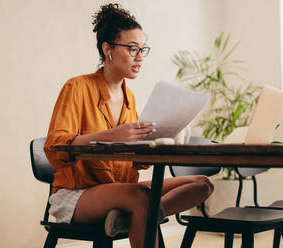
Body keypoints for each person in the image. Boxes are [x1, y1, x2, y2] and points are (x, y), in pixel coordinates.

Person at [44, 3, 214, 248]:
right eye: (132, 48)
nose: (140, 56)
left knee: (202, 185)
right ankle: (137, 212)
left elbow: (134, 161)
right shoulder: (77, 87)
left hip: (120, 190)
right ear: (108, 49)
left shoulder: (129, 97)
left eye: (143, 49)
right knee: (143, 197)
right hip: (77, 194)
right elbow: (55, 147)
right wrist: (113, 135)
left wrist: (157, 139)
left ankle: (129, 216)